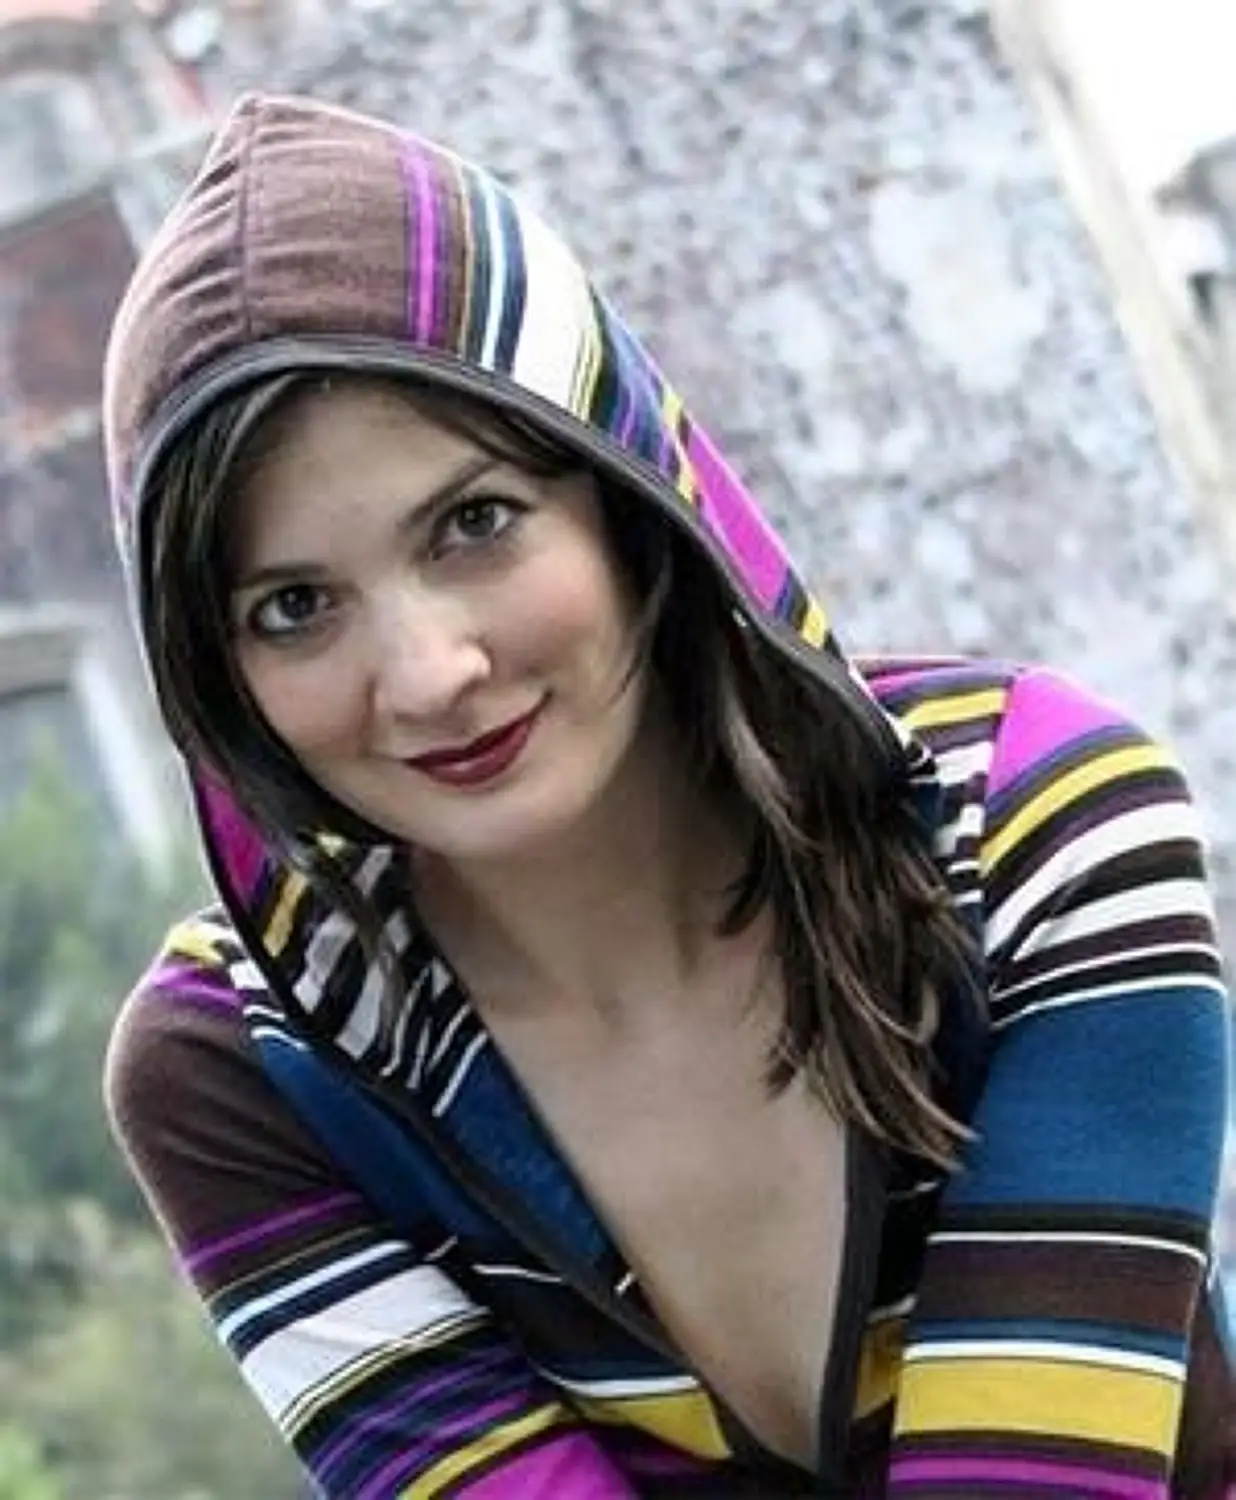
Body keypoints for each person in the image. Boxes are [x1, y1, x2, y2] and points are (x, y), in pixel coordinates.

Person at [102, 92, 1234, 1498]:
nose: (430, 673)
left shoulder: (1031, 825)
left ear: (624, 490)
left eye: (475, 524)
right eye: (293, 607)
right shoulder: (252, 1068)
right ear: (214, 674)